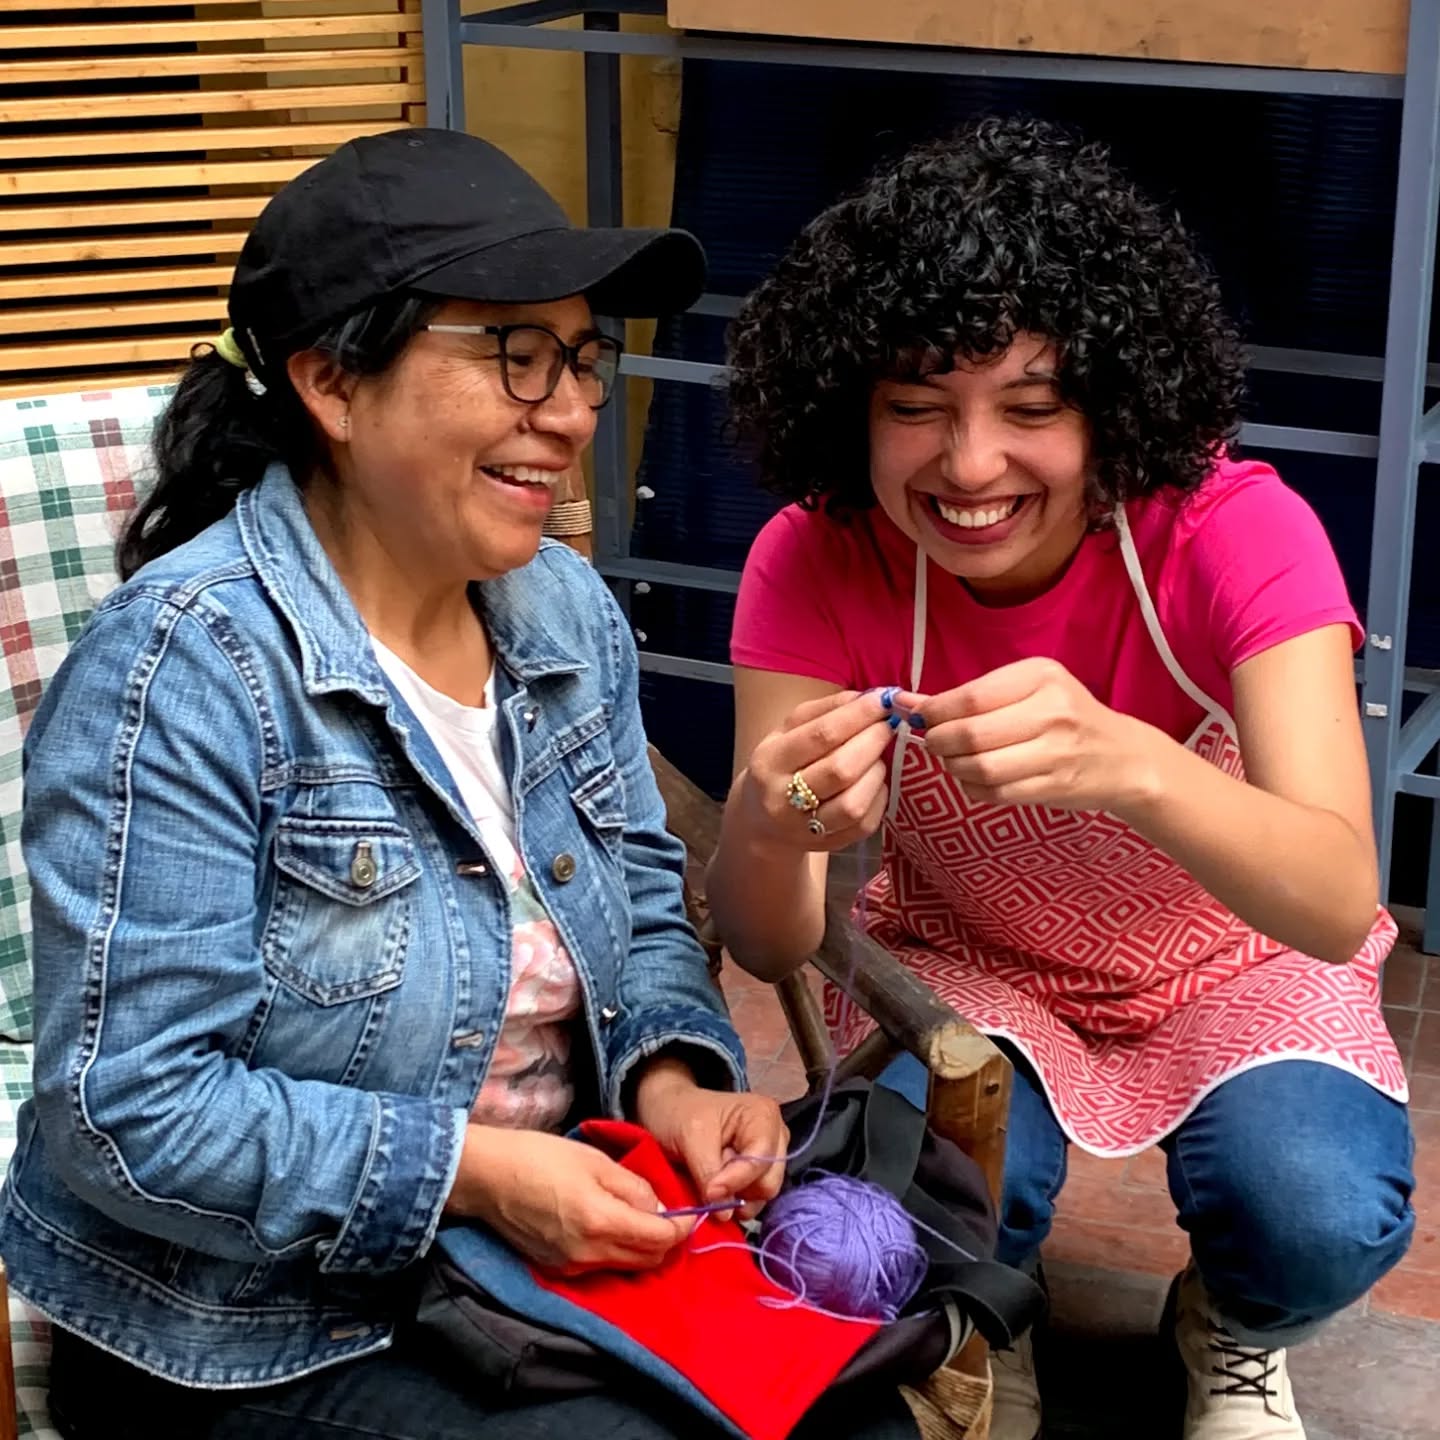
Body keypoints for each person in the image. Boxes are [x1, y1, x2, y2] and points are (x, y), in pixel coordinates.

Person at [0, 129, 918, 1440]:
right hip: (252, 1322)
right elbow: (128, 1114)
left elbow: (649, 916)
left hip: (536, 1246)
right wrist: (475, 1178)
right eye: (515, 358)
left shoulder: (559, 612)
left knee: (855, 1418)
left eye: (582, 362)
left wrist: (674, 1087)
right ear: (330, 380)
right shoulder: (182, 673)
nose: (572, 410)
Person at [708, 116, 1416, 1440]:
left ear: (1116, 401)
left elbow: (1328, 898)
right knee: (911, 1201)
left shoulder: (1235, 530)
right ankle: (981, 1311)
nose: (970, 466)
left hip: (1237, 959)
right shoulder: (814, 560)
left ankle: (1234, 1325)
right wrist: (768, 817)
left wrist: (1137, 767)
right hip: (976, 964)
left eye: (1032, 409)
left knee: (1317, 1205)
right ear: (846, 408)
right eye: (915, 408)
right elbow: (770, 937)